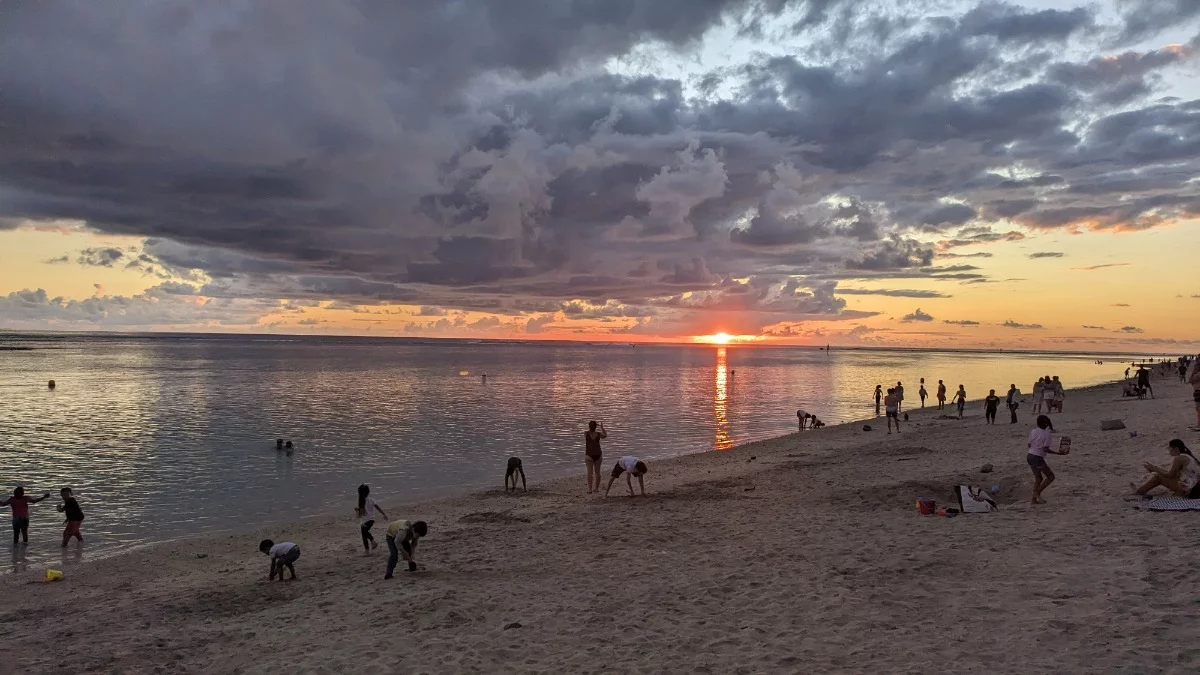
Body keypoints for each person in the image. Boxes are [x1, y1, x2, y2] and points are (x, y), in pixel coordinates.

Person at [1131, 440, 1200, 498]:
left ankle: (1139, 492)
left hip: (1188, 490)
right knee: (1159, 475)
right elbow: (1173, 474)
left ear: (1176, 449)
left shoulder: (1179, 458)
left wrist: (1154, 469)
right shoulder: (1188, 457)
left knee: (1158, 477)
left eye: (1169, 448)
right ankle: (1140, 491)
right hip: (1194, 488)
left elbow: (1170, 475)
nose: (1169, 450)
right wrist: (1155, 468)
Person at [1027, 414, 1068, 505]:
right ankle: (1037, 493)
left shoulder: (1033, 431)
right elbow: (1045, 449)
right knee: (1050, 477)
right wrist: (1058, 453)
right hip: (1038, 457)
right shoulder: (1047, 434)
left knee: (1038, 478)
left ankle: (1034, 499)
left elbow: (1029, 444)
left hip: (1030, 456)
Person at [355, 484, 389, 556]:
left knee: (364, 534)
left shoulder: (361, 502)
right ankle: (372, 544)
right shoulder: (371, 499)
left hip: (365, 521)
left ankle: (368, 549)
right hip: (372, 520)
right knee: (365, 532)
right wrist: (384, 514)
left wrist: (357, 511)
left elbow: (362, 514)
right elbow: (378, 508)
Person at [585, 421, 607, 494]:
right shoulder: (598, 434)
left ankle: (589, 489)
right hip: (598, 455)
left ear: (589, 426)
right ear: (595, 427)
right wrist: (602, 427)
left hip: (589, 455)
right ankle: (596, 488)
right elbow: (605, 436)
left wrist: (593, 426)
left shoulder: (586, 433)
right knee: (597, 472)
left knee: (589, 473)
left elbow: (589, 433)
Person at [1190, 354, 1200, 430]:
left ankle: (1199, 424)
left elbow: (1192, 379)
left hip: (1198, 389)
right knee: (1198, 407)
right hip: (1197, 389)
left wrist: (1192, 377)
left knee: (1198, 407)